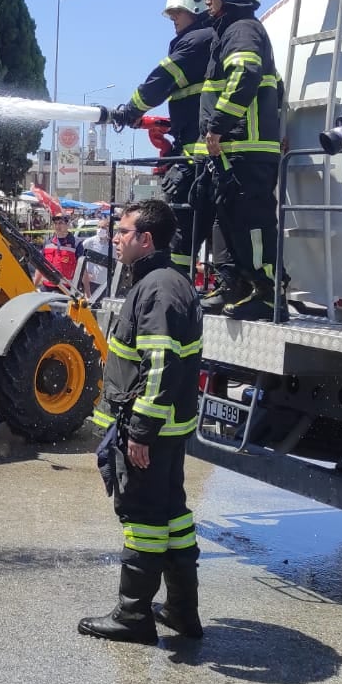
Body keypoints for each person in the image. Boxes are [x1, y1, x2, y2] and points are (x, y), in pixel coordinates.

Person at [78, 198, 203, 645]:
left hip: (150, 429)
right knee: (171, 515)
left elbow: (160, 362)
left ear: (146, 239)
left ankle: (133, 617)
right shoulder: (165, 283)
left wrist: (140, 430)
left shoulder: (157, 289)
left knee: (144, 519)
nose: (116, 237)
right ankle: (181, 612)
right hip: (167, 427)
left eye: (124, 231)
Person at [99, 0, 218, 275]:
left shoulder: (197, 41)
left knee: (179, 228)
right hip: (197, 148)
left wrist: (130, 111)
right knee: (193, 226)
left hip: (195, 153)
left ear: (198, 10)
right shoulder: (211, 39)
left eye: (178, 13)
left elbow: (161, 80)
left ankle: (171, 281)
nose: (173, 18)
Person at [198, 0, 282, 321]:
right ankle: (234, 284)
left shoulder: (243, 30)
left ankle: (266, 292)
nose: (209, 4)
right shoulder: (230, 32)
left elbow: (245, 75)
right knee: (228, 218)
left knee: (253, 220)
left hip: (247, 149)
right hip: (234, 150)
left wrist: (217, 125)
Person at [36, 214, 83, 292]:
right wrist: (33, 286)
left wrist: (88, 294)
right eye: (55, 223)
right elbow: (40, 266)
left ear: (68, 225)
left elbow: (83, 270)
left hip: (66, 291)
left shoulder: (76, 244)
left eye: (60, 223)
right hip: (46, 289)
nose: (57, 226)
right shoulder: (48, 243)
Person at [79, 216, 112, 300]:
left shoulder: (113, 245)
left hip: (106, 284)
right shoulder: (89, 242)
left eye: (103, 227)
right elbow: (80, 260)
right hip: (91, 283)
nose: (100, 229)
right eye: (98, 227)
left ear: (108, 228)